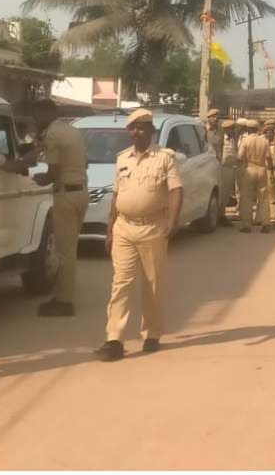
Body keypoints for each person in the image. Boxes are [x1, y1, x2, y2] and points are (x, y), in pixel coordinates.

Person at [97, 109, 183, 362]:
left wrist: (173, 221)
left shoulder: (165, 158)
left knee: (152, 284)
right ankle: (114, 339)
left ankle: (152, 334)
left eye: (142, 128)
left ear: (151, 131)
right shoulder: (122, 159)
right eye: (132, 129)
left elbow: (176, 190)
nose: (136, 133)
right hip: (124, 228)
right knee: (120, 284)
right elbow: (116, 195)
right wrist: (110, 228)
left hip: (153, 228)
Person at [28, 99, 88, 316]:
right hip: (81, 192)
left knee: (64, 252)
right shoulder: (73, 132)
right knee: (70, 249)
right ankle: (63, 295)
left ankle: (64, 302)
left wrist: (39, 179)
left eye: (35, 116)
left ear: (44, 114)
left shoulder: (53, 135)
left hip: (66, 195)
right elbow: (85, 162)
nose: (34, 121)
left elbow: (53, 171)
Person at [237, 119, 272, 233]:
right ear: (257, 129)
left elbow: (240, 157)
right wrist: (270, 171)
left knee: (247, 198)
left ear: (248, 129)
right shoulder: (264, 141)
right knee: (263, 198)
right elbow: (269, 158)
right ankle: (266, 223)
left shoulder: (245, 140)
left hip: (250, 169)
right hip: (262, 169)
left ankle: (247, 224)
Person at [219, 118, 239, 220]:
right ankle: (220, 215)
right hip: (223, 168)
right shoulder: (221, 139)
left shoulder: (235, 139)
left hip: (233, 167)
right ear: (226, 130)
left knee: (227, 193)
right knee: (222, 192)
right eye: (230, 129)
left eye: (233, 129)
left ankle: (222, 215)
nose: (232, 131)